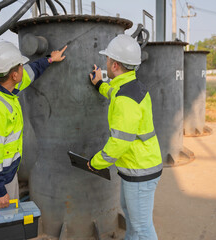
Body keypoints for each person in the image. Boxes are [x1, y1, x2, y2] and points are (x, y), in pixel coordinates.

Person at [0, 41, 67, 209]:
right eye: (20, 66)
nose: (24, 68)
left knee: (10, 219)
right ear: (14, 75)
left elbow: (31, 72)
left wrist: (49, 60)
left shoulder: (3, 88)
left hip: (5, 174)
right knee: (0, 226)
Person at [87, 34, 163, 240]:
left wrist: (96, 162)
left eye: (108, 59)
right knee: (131, 217)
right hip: (138, 166)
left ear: (115, 65)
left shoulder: (125, 98)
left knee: (142, 227)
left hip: (140, 169)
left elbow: (120, 141)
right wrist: (98, 85)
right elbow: (113, 93)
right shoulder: (130, 87)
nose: (106, 62)